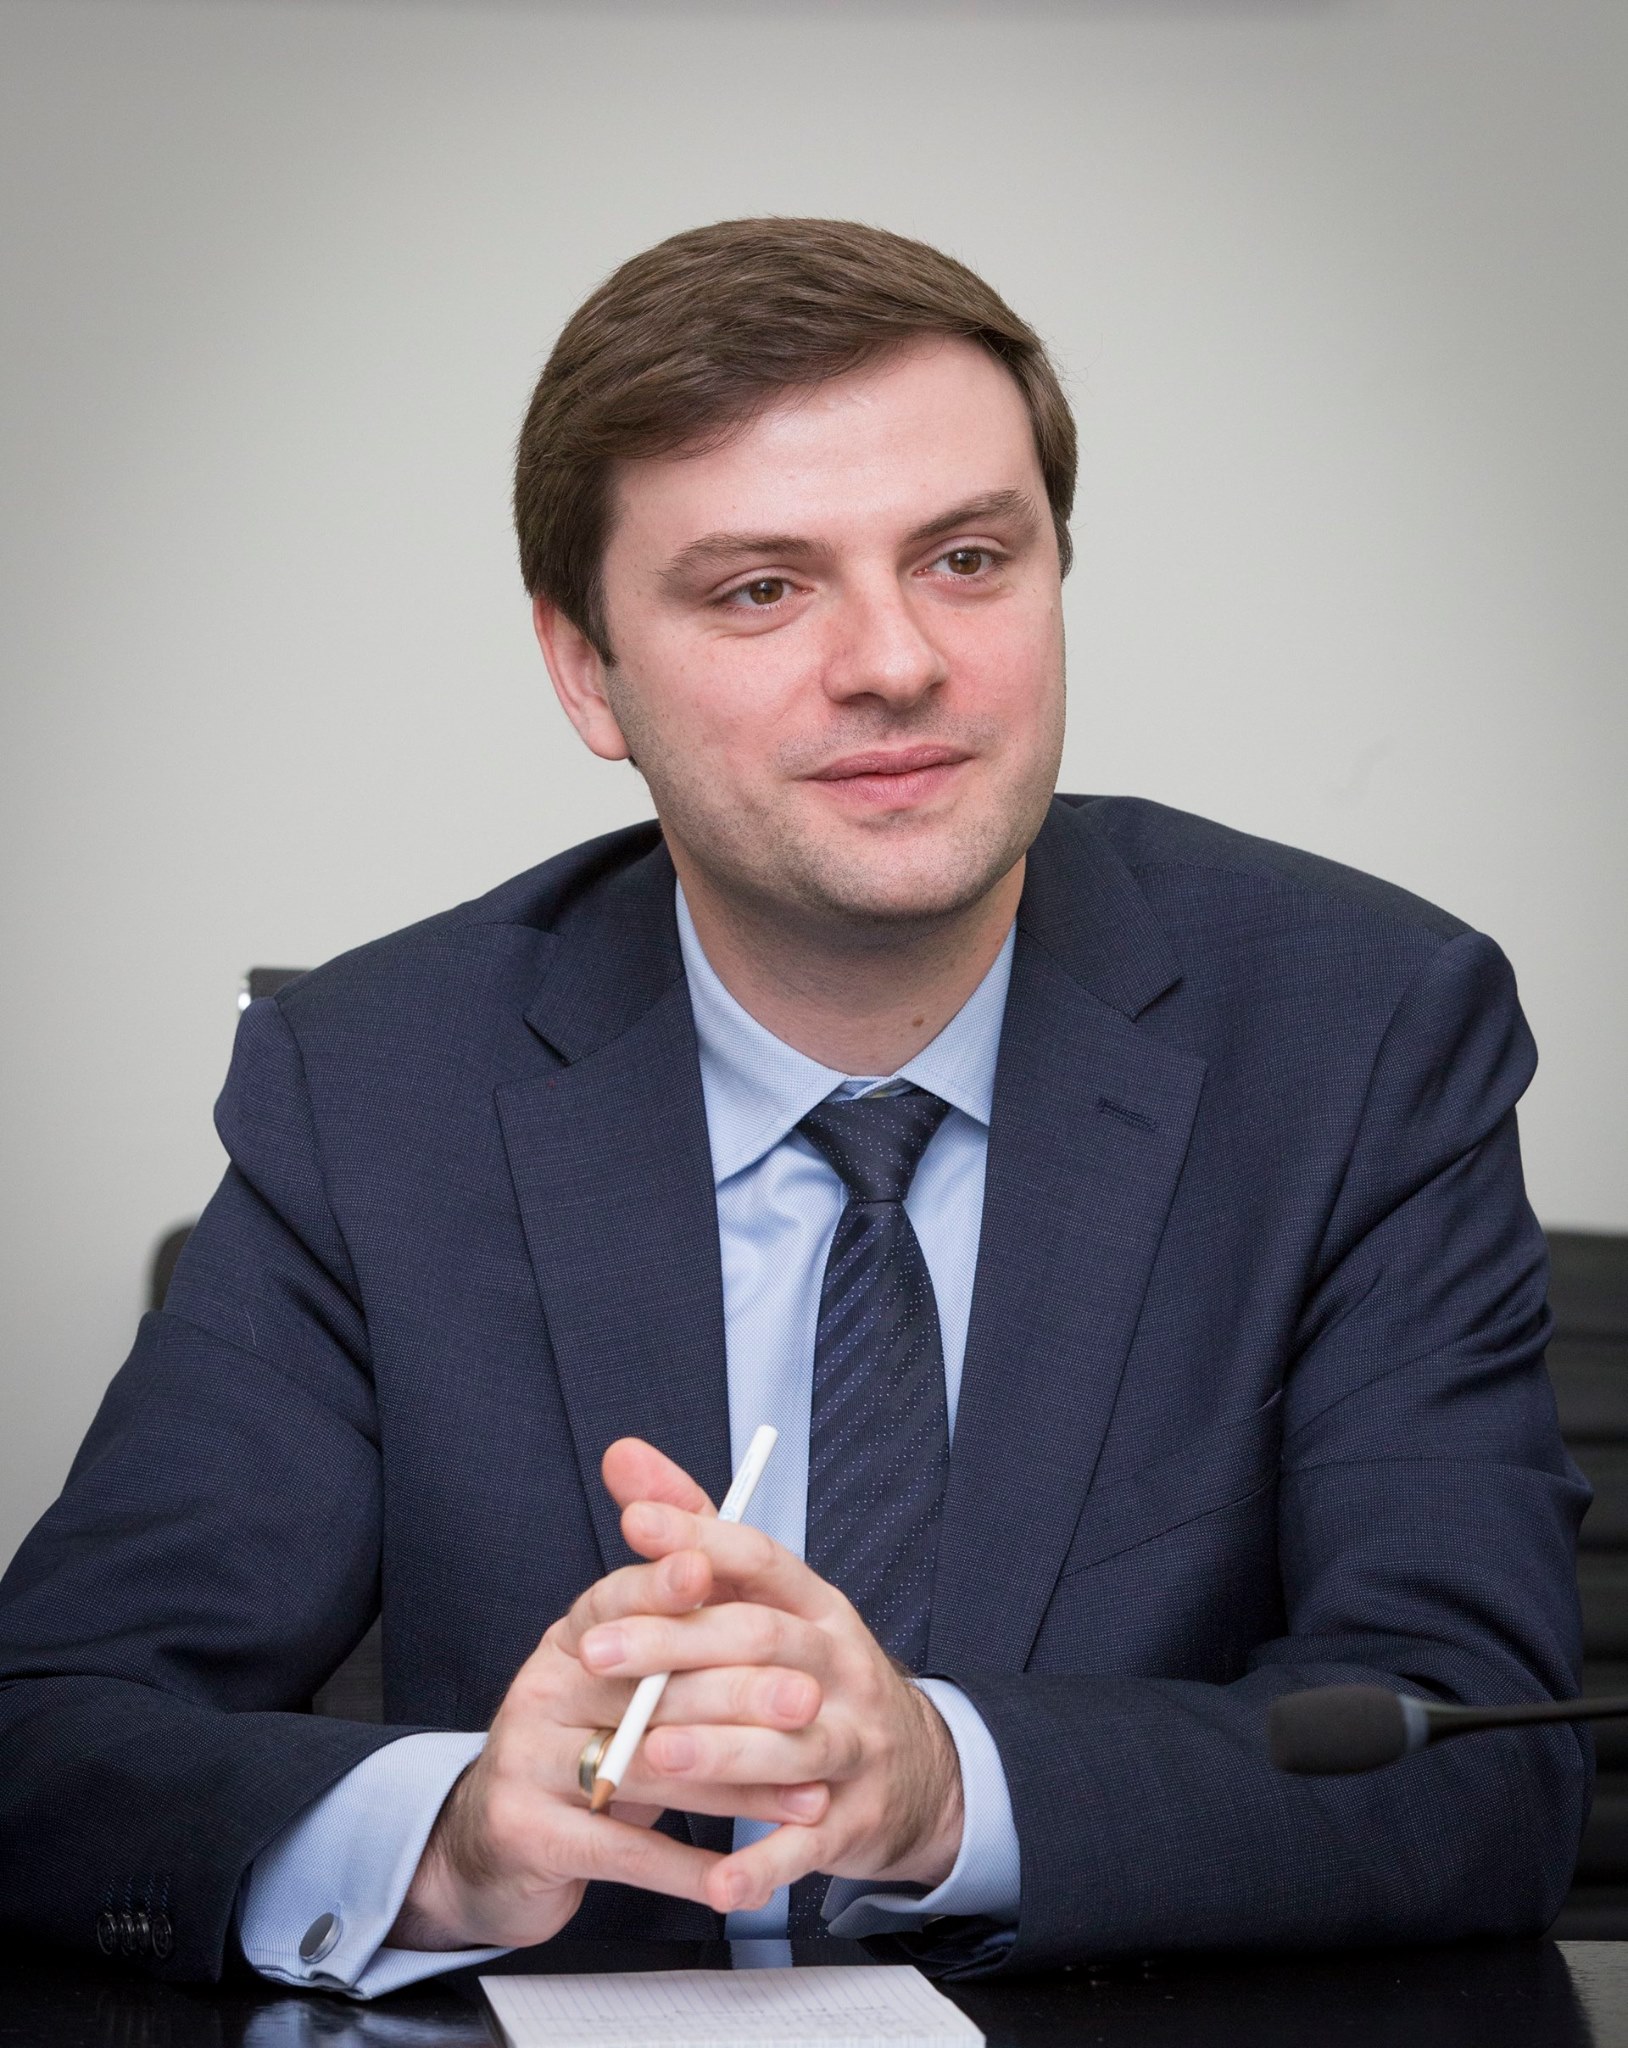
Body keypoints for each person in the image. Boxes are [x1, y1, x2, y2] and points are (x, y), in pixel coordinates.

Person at [0, 218, 1590, 1996]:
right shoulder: (378, 1086)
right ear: (586, 670)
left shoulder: (1362, 1035)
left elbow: (1482, 1760)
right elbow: (48, 1737)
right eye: (762, 588)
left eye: (968, 558)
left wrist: (946, 1788)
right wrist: (447, 1844)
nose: (896, 660)